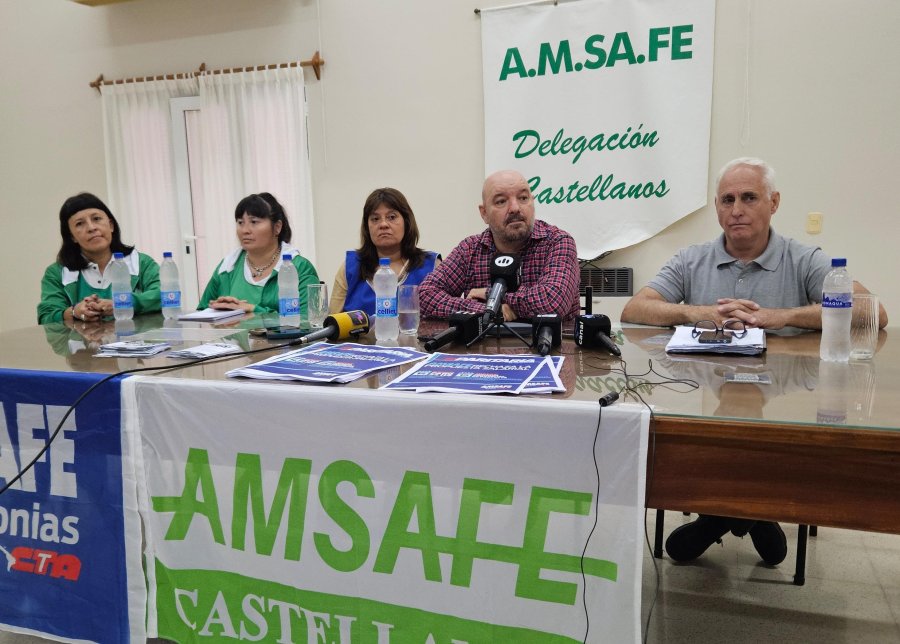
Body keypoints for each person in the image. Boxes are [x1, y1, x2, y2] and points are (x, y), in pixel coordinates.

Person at [621, 156, 889, 566]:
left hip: (783, 405)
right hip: (706, 400)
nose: (737, 210)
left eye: (749, 197)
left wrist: (781, 317)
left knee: (772, 443)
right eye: (727, 200)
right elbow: (635, 310)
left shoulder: (803, 258)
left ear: (774, 202)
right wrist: (698, 313)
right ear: (716, 208)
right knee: (685, 438)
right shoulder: (691, 258)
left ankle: (724, 516)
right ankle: (751, 515)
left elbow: (873, 311)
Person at [418, 170, 581, 321]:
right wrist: (489, 310)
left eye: (523, 198)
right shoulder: (470, 249)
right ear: (484, 213)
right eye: (501, 201)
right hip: (481, 349)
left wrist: (490, 295)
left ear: (532, 202)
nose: (515, 208)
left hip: (549, 349)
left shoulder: (558, 242)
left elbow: (553, 302)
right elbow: (425, 296)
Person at [38, 192, 160, 325]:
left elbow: (164, 295)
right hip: (85, 345)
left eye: (96, 219)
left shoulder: (141, 263)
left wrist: (124, 303)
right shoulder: (56, 273)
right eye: (80, 224)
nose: (91, 228)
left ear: (111, 225)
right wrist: (75, 312)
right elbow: (46, 316)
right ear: (72, 236)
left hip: (136, 343)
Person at [199, 193, 319, 315]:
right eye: (240, 222)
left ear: (277, 227)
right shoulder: (227, 268)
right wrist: (218, 309)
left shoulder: (300, 268)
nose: (245, 230)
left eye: (254, 222)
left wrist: (252, 310)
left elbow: (308, 321)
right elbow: (201, 313)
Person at [329, 188, 440, 316]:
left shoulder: (432, 266)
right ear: (367, 227)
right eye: (375, 219)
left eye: (391, 217)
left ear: (406, 222)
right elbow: (333, 324)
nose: (383, 224)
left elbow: (446, 323)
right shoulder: (350, 267)